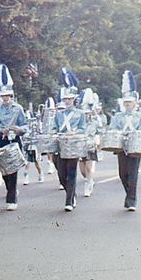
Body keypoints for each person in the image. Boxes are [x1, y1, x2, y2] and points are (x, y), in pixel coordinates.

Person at [0, 64, 27, 211]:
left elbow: (25, 126)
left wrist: (19, 130)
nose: (5, 98)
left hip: (15, 140)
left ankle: (11, 198)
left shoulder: (18, 109)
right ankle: (10, 189)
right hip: (3, 140)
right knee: (5, 169)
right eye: (3, 96)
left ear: (11, 96)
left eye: (7, 96)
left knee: (14, 168)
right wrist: (0, 131)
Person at [111, 71, 141, 211]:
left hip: (135, 146)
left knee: (133, 173)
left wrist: (135, 133)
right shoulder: (118, 117)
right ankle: (129, 194)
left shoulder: (140, 116)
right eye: (125, 103)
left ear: (134, 103)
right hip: (121, 146)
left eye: (130, 103)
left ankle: (132, 200)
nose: (127, 105)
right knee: (122, 174)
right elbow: (113, 129)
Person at [52, 78, 88, 212]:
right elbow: (54, 128)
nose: (67, 101)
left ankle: (69, 201)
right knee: (61, 174)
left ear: (74, 100)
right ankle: (71, 194)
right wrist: (54, 133)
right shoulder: (59, 114)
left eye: (69, 99)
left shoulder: (80, 114)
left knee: (71, 173)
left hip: (73, 145)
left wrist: (74, 132)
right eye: (65, 99)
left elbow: (82, 128)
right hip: (60, 146)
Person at [78, 89, 102, 197]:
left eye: (88, 113)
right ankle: (89, 179)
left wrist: (98, 140)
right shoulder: (79, 123)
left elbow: (100, 132)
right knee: (82, 170)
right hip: (80, 147)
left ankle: (88, 185)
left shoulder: (95, 122)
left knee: (88, 167)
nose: (86, 115)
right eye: (85, 114)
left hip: (91, 146)